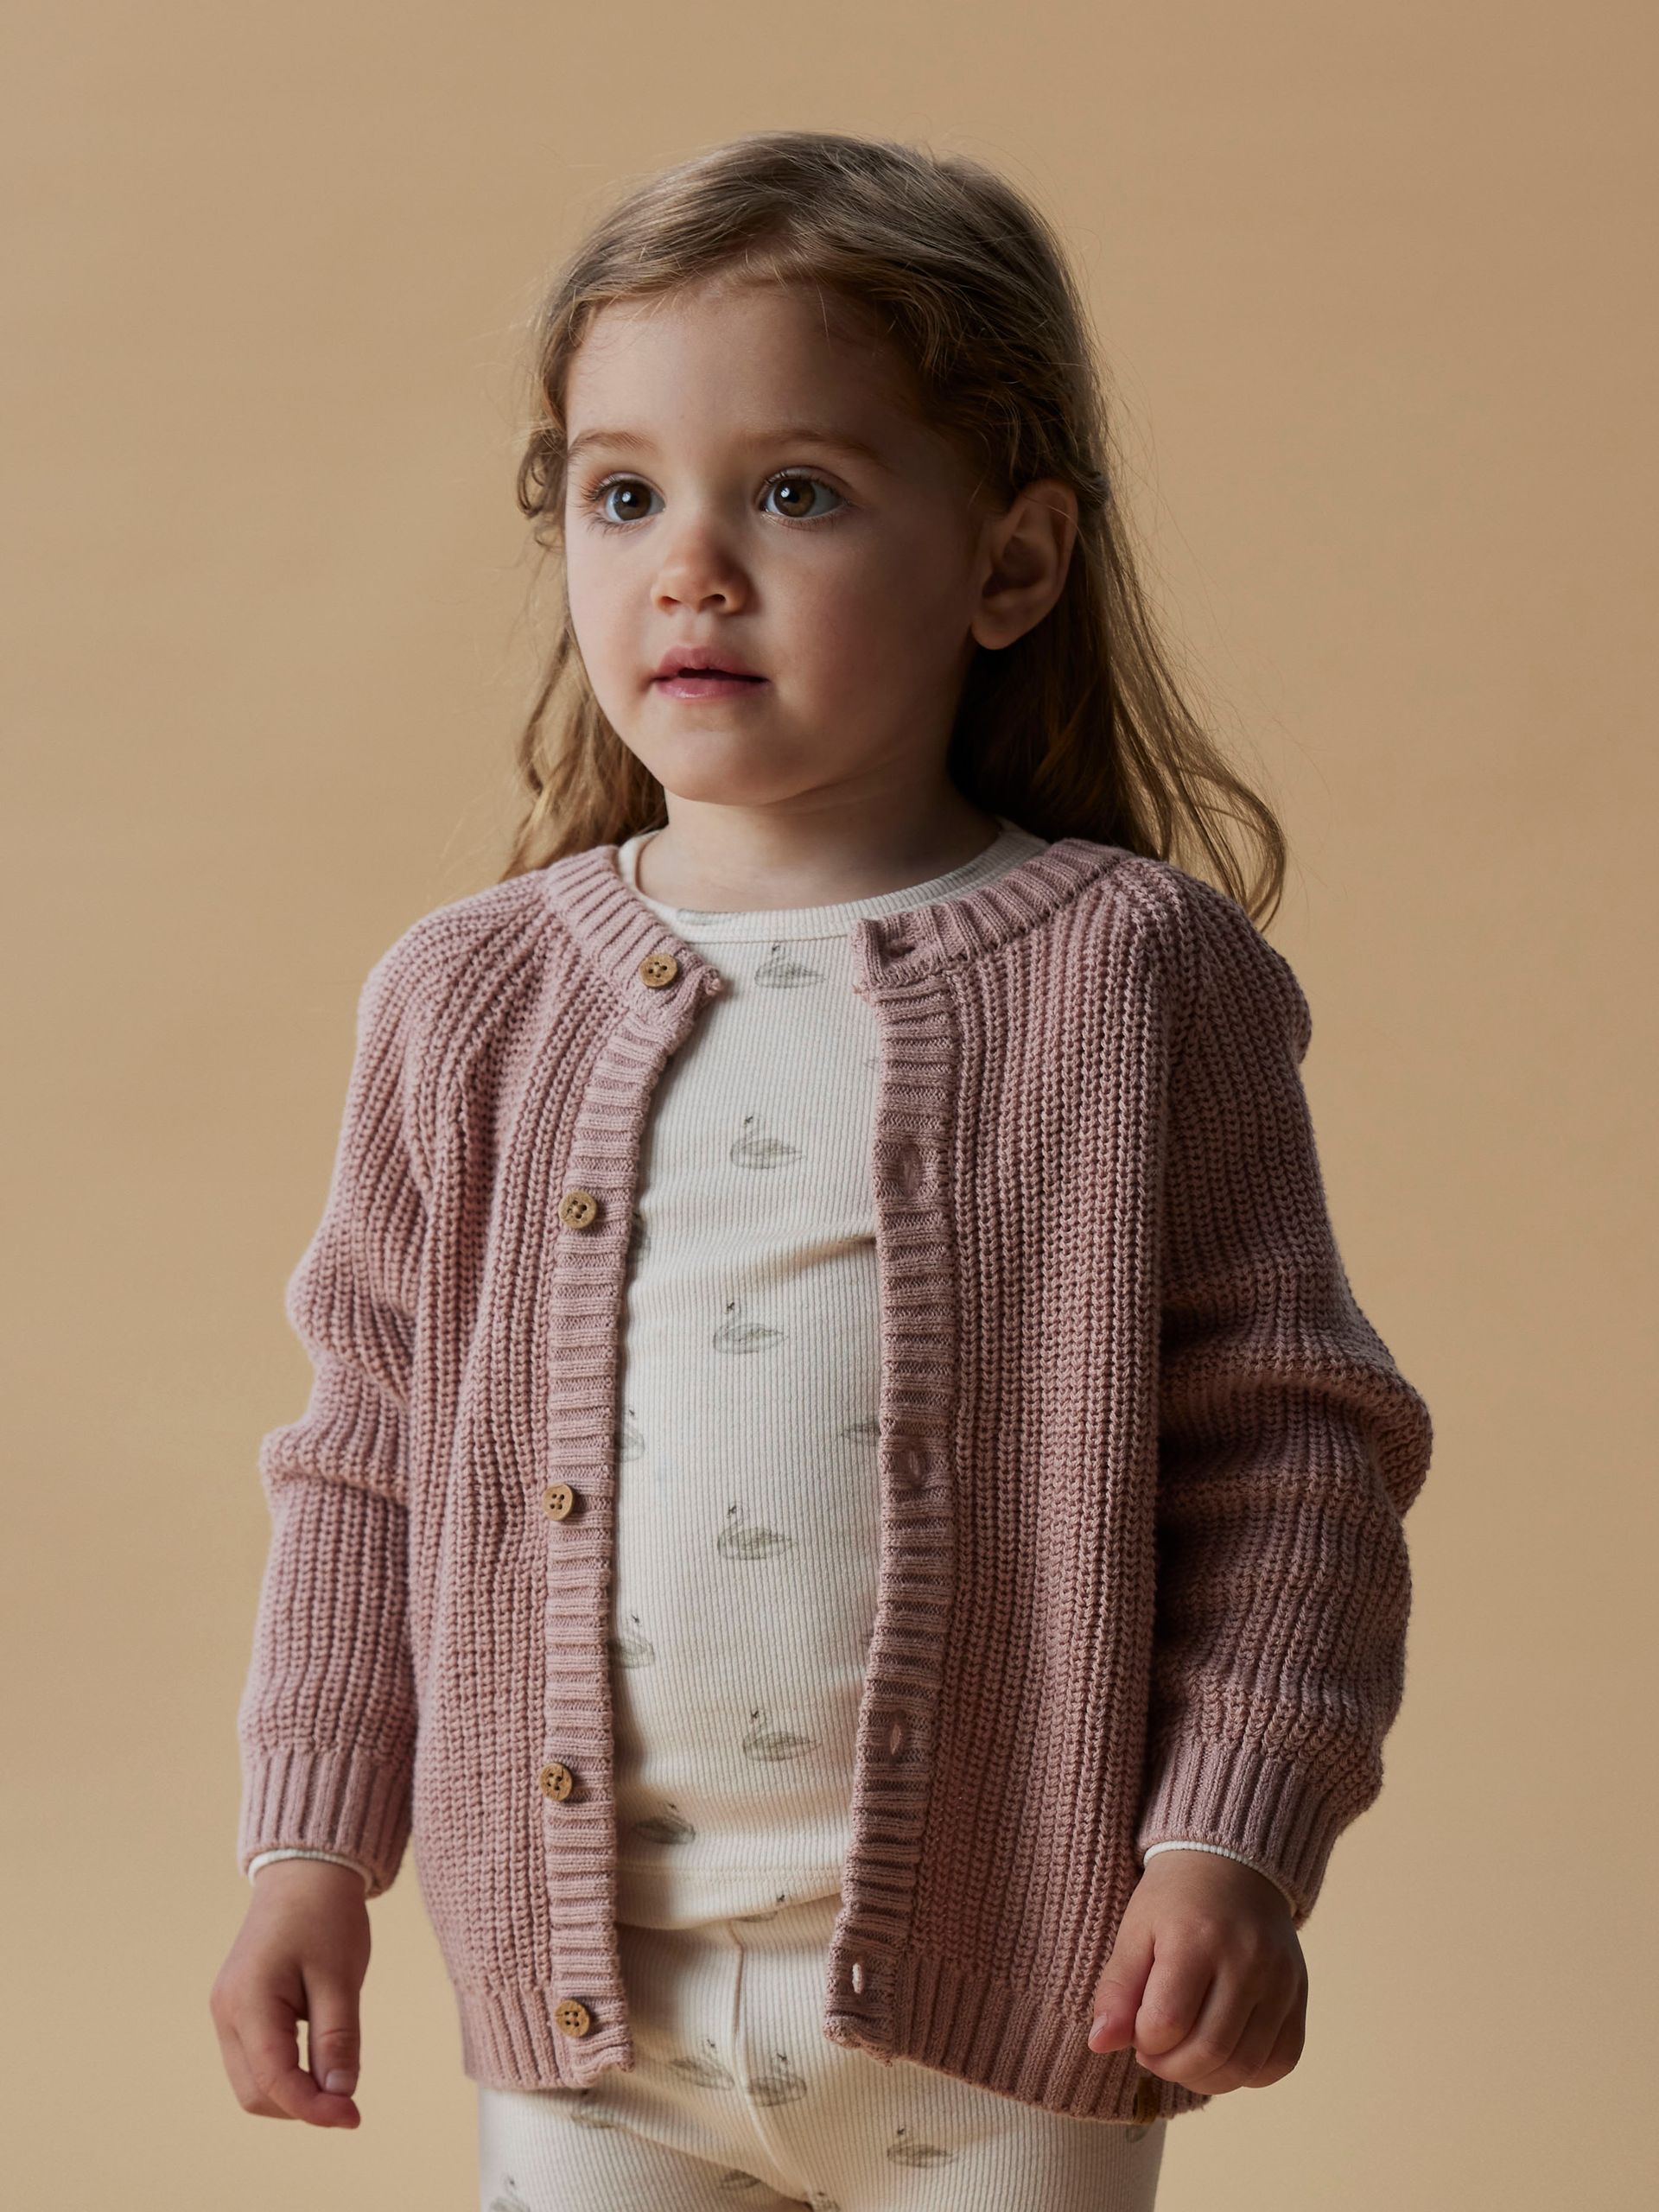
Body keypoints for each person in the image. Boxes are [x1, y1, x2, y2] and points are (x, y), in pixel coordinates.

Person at [209, 130, 1433, 2212]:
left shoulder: (1134, 974)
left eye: (794, 491)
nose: (689, 565)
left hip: (1020, 2001)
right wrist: (307, 1848)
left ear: (1010, 565)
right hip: (597, 2015)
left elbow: (1294, 1444)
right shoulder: (470, 997)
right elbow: (365, 1454)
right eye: (623, 495)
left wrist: (1232, 1831)